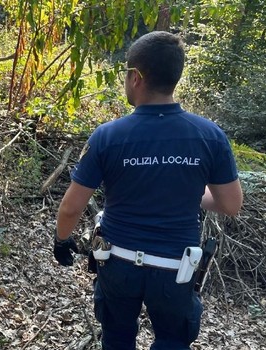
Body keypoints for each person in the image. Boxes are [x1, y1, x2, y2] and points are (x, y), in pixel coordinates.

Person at [53, 31, 243, 350]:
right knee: (171, 340)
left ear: (136, 77)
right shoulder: (209, 136)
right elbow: (230, 204)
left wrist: (61, 240)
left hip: (118, 264)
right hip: (176, 270)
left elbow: (71, 207)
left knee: (116, 337)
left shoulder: (107, 136)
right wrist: (187, 189)